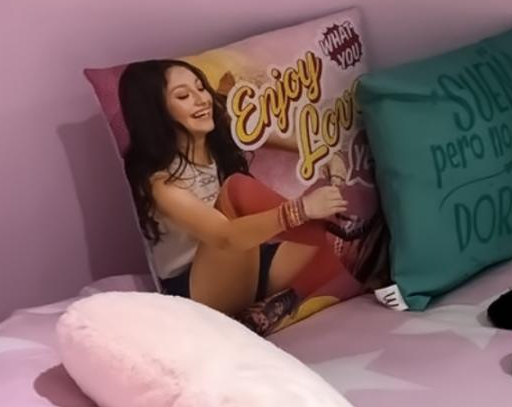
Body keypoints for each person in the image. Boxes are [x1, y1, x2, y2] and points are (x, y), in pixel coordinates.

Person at [118, 58, 369, 331]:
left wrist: (325, 153)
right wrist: (301, 211)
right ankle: (334, 234)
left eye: (201, 88)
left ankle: (278, 303)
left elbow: (270, 137)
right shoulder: (160, 183)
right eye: (183, 96)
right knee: (238, 189)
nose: (201, 99)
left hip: (251, 264)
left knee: (337, 209)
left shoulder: (220, 136)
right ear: (155, 112)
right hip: (201, 288)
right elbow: (225, 237)